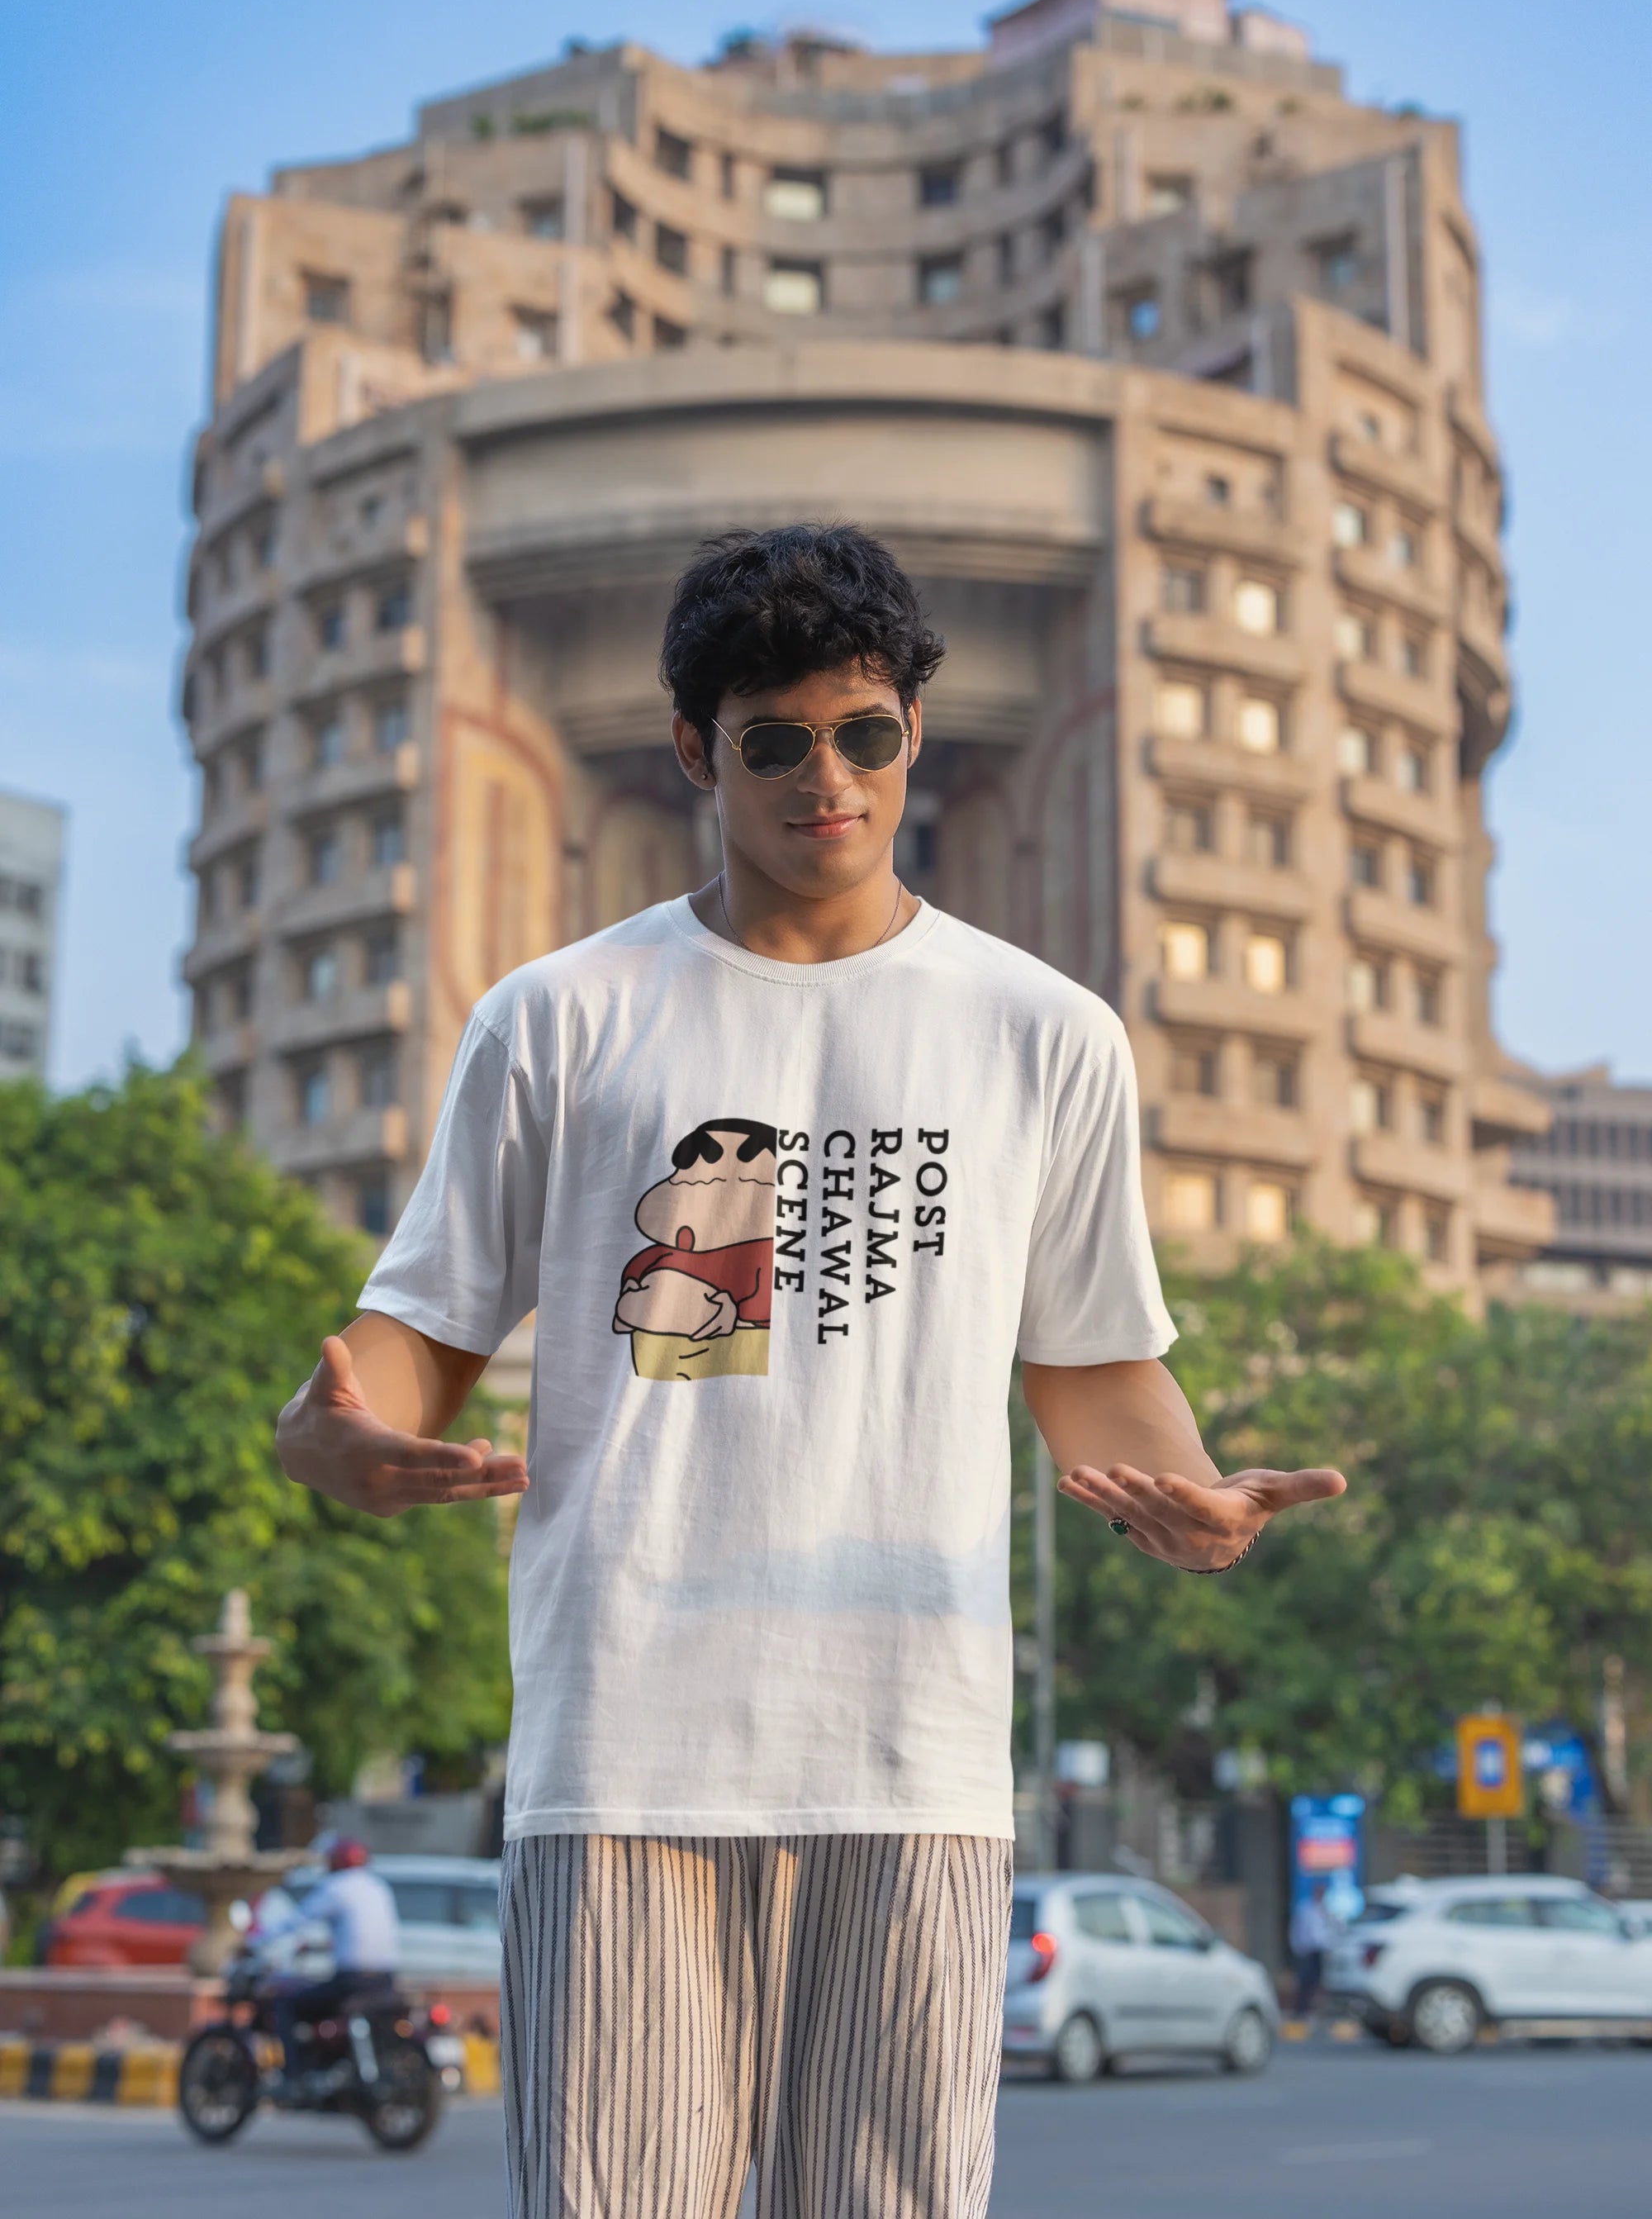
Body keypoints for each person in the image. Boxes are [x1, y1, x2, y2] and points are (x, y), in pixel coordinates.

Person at [277, 523, 1346, 2217]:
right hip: (623, 1742)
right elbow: (411, 1342)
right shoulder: (561, 1017)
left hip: (909, 1748)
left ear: (913, 733)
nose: (824, 778)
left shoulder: (1042, 1032)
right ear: (699, 749)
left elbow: (1093, 1370)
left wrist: (1201, 1506)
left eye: (862, 733)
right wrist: (335, 1438)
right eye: (773, 739)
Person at [264, 1837, 399, 2091]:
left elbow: (297, 1920)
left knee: (286, 2003)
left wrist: (256, 1941)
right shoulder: (378, 1887)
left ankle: (293, 2076)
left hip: (352, 1981)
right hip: (385, 1979)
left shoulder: (337, 1887)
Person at [1289, 1879, 1340, 2019]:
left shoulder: (1326, 1909)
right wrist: (1297, 1947)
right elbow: (1297, 1929)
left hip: (1322, 1950)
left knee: (1319, 1982)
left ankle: (1315, 2010)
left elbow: (1334, 1928)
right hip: (1307, 1950)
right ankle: (1301, 2010)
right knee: (1305, 1981)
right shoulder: (1305, 1908)